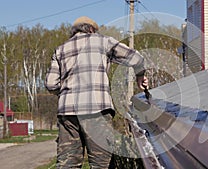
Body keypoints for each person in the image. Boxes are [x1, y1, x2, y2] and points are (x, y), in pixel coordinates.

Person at [45, 16, 148, 169]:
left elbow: (51, 84)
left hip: (67, 113)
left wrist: (68, 91)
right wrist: (140, 75)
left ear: (74, 31)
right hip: (96, 111)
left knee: (67, 164)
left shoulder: (61, 49)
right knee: (101, 164)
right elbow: (137, 58)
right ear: (92, 29)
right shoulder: (103, 41)